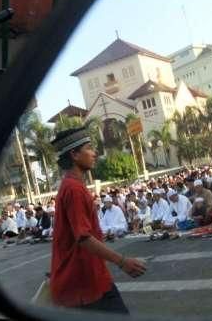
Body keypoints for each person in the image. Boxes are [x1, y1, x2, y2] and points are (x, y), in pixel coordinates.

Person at [50, 127, 145, 313]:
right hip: (83, 283)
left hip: (90, 278)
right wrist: (122, 261)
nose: (95, 153)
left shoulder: (72, 185)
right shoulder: (74, 189)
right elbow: (83, 237)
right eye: (89, 148)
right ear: (74, 155)